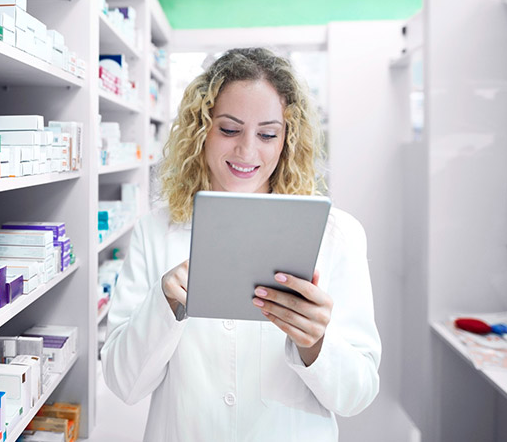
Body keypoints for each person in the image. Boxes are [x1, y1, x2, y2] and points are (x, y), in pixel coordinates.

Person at [100, 47, 381, 441]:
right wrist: (164, 307)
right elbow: (122, 383)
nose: (247, 151)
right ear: (201, 128)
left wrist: (316, 344)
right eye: (229, 129)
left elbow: (358, 394)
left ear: (288, 139)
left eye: (267, 134)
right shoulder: (157, 231)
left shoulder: (337, 235)